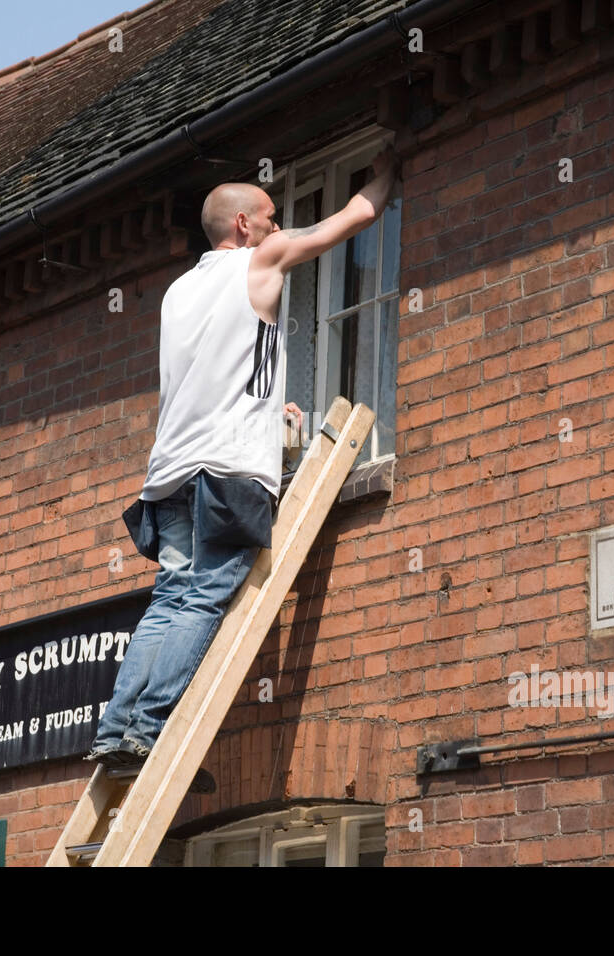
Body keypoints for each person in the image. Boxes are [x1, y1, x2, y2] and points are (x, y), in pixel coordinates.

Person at [86, 144, 401, 769]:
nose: (280, 227)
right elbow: (351, 220)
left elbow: (219, 370)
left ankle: (115, 727)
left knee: (170, 597)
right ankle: (147, 730)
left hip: (169, 475)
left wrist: (269, 414)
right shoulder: (260, 261)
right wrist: (391, 166)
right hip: (226, 475)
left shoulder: (179, 291)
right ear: (245, 226)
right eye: (272, 217)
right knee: (204, 598)